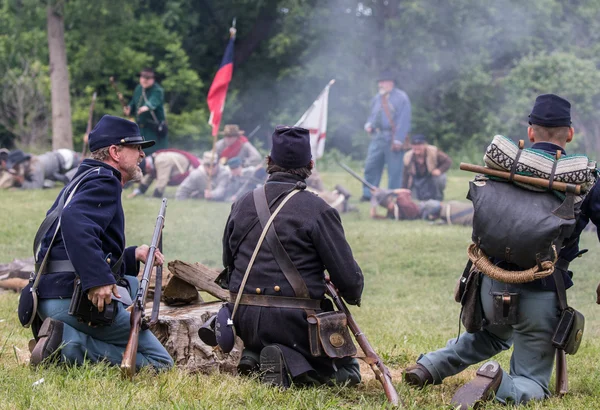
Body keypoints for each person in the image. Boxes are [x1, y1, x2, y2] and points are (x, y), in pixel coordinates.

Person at [404, 94, 600, 407]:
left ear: (531, 132)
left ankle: (429, 366)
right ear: (570, 134)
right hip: (541, 292)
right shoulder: (586, 179)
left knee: (491, 335)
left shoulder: (502, 166)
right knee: (532, 380)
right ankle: (501, 383)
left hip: (489, 287)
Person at [222, 126, 364, 387]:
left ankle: (254, 354)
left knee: (264, 334)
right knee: (350, 372)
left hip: (243, 317)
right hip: (295, 325)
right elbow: (348, 280)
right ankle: (287, 361)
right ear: (310, 164)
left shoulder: (241, 203)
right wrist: (353, 293)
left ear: (268, 162)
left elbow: (228, 263)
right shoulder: (319, 209)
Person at [28, 115, 173, 370]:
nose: (141, 155)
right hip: (73, 301)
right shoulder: (105, 180)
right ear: (115, 152)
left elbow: (74, 239)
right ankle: (66, 346)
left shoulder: (86, 178)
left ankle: (61, 339)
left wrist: (130, 255)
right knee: (160, 363)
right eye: (136, 147)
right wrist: (97, 279)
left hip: (51, 295)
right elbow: (75, 221)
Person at [361, 71, 411, 201]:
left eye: (383, 82)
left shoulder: (401, 97)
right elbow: (372, 116)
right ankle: (368, 194)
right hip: (377, 137)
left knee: (394, 171)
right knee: (371, 166)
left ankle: (392, 195)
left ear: (391, 83)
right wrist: (369, 125)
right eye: (380, 82)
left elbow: (404, 120)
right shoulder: (377, 98)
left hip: (393, 138)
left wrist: (398, 140)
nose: (381, 84)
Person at [124, 68, 167, 154]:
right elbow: (134, 102)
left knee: (154, 154)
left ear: (153, 79)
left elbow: (153, 101)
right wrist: (129, 108)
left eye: (148, 78)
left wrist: (147, 107)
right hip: (140, 129)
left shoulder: (157, 90)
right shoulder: (138, 89)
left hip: (154, 130)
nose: (145, 80)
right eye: (143, 77)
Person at [128, 149, 201, 198]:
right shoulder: (152, 161)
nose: (147, 173)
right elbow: (149, 176)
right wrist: (138, 191)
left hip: (188, 170)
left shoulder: (161, 161)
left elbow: (162, 180)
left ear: (147, 167)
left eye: (145, 171)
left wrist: (155, 197)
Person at [402, 134, 452, 201]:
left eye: (419, 144)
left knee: (440, 178)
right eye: (414, 144)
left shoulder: (433, 151)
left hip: (431, 178)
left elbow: (447, 161)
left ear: (425, 144)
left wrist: (439, 170)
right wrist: (403, 191)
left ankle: (438, 198)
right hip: (416, 182)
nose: (417, 147)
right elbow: (405, 176)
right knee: (414, 202)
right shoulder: (408, 157)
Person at [6, 149, 83, 189]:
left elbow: (36, 186)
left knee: (70, 179)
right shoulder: (29, 165)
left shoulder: (35, 167)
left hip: (69, 160)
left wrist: (22, 182)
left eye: (15, 166)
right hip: (60, 157)